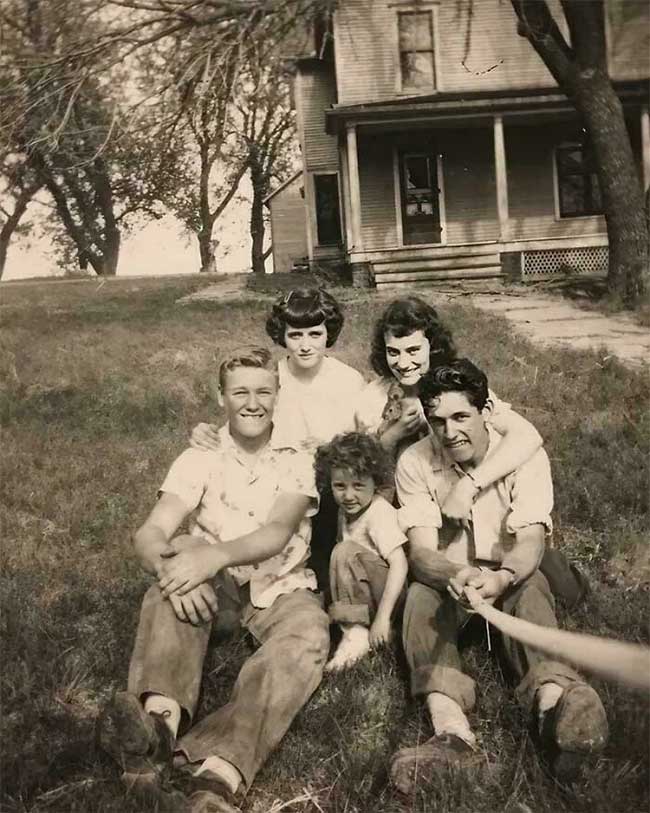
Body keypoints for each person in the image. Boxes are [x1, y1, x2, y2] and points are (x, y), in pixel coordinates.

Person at [97, 347, 330, 813]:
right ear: (219, 396)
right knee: (167, 593)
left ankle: (218, 773)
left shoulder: (296, 457)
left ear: (278, 395)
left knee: (307, 638)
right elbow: (151, 531)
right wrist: (176, 570)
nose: (252, 402)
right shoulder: (199, 455)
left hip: (280, 583)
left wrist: (206, 557)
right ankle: (156, 729)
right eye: (240, 391)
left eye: (264, 391)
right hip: (217, 583)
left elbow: (276, 532)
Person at [389, 359, 608, 794]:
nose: (449, 432)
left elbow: (530, 542)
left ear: (486, 412)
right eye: (437, 421)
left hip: (509, 571)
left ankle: (555, 710)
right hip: (454, 578)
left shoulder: (524, 456)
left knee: (531, 590)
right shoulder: (413, 461)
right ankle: (451, 734)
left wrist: (503, 577)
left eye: (460, 417)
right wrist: (454, 572)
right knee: (419, 597)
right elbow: (420, 552)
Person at [190, 288, 365, 593]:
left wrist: (330, 448)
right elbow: (243, 420)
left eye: (315, 334)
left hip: (335, 483)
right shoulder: (273, 377)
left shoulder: (349, 381)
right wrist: (204, 432)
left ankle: (330, 583)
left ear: (329, 334)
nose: (306, 345)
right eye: (296, 335)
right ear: (282, 336)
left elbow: (363, 443)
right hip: (282, 485)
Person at [354, 296, 545, 520]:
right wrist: (395, 435)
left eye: (413, 350)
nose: (403, 364)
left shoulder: (453, 388)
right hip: (388, 504)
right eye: (393, 352)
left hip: (450, 495)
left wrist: (469, 486)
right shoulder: (372, 397)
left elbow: (527, 436)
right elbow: (357, 469)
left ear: (432, 347)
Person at [314, 432, 408, 671]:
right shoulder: (344, 511)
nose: (348, 495)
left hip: (391, 594)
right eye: (339, 486)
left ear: (375, 482)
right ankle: (354, 628)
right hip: (367, 589)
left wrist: (383, 618)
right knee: (340, 554)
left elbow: (399, 564)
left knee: (343, 551)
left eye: (358, 485)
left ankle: (356, 633)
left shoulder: (378, 513)